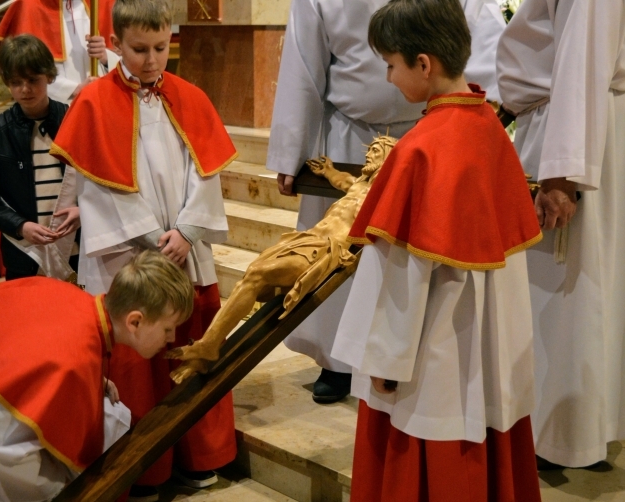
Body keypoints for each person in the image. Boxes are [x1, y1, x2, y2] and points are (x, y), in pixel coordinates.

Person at [329, 1, 543, 500]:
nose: (388, 77)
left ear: (424, 64)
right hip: (488, 344)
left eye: (390, 64)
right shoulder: (492, 131)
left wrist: (384, 361)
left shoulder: (420, 149)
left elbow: (400, 275)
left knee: (428, 440)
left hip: (433, 348)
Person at [266, 0, 507, 404]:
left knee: (410, 257)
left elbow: (477, 29)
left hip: (432, 127)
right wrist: (291, 151)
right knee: (342, 249)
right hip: (349, 131)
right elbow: (302, 63)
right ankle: (338, 360)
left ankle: (414, 352)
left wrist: (477, 110)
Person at [50, 0, 237, 498]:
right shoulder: (93, 102)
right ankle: (145, 468)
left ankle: (200, 457)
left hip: (185, 251)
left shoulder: (190, 96)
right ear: (114, 44)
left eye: (161, 47)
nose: (152, 59)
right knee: (137, 365)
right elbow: (99, 187)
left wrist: (188, 231)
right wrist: (154, 240)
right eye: (139, 49)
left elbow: (206, 171)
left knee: (192, 352)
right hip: (127, 256)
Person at [497, 0, 625, 469]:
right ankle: (582, 427)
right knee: (591, 283)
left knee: (564, 289)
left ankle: (558, 434)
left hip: (572, 129)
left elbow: (581, 58)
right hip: (587, 123)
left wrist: (561, 174)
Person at [0, 250, 195, 502]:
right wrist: (61, 488)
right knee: (112, 428)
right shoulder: (74, 359)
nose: (171, 338)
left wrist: (90, 377)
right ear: (135, 322)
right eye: (168, 329)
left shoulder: (70, 295)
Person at [167, 136, 397, 381]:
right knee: (252, 274)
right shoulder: (356, 184)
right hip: (308, 240)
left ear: (389, 156)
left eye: (375, 150)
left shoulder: (388, 192)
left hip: (328, 250)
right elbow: (339, 179)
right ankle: (208, 347)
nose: (368, 155)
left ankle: (208, 345)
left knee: (258, 275)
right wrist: (328, 170)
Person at [0, 34, 80, 282]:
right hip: (25, 254)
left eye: (33, 80)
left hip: (77, 250)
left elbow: (99, 180)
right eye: (16, 82)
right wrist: (20, 226)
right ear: (7, 82)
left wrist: (83, 210)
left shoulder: (74, 121)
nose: (25, 89)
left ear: (49, 76)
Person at [0, 0, 120, 103]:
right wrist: (73, 89)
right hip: (55, 105)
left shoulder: (103, 3)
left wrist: (106, 57)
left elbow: (126, 62)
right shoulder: (28, 5)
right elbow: (21, 67)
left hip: (99, 99)